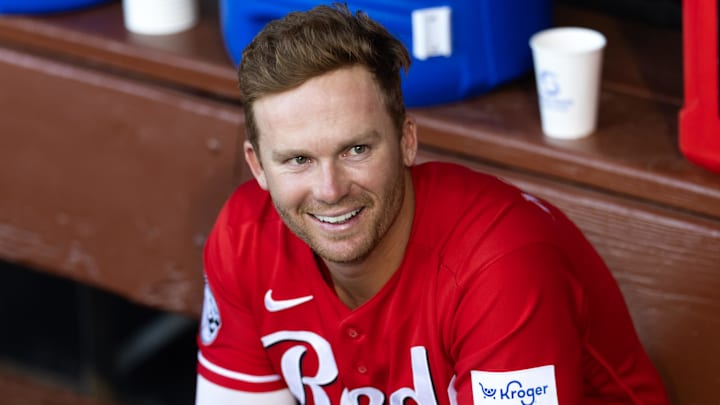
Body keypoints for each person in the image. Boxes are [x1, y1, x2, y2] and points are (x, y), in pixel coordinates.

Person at [195, 3, 670, 404]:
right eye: (298, 159)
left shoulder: (503, 263)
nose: (330, 188)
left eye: (356, 150)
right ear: (258, 167)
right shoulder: (245, 236)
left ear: (406, 141)